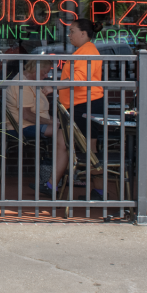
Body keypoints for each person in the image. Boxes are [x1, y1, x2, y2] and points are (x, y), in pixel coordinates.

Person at [57, 17, 106, 199]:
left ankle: (99, 191)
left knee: (89, 150)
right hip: (78, 105)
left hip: (85, 105)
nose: (69, 35)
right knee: (64, 143)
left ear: (84, 34)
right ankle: (51, 185)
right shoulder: (84, 50)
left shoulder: (88, 51)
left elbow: (79, 79)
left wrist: (54, 86)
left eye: (72, 31)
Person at [5, 59, 68, 196]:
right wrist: (54, 123)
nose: (46, 76)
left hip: (35, 123)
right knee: (63, 134)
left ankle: (57, 174)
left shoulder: (32, 83)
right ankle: (59, 174)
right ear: (36, 69)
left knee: (65, 130)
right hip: (23, 126)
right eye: (45, 73)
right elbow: (27, 115)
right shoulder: (22, 84)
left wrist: (57, 121)